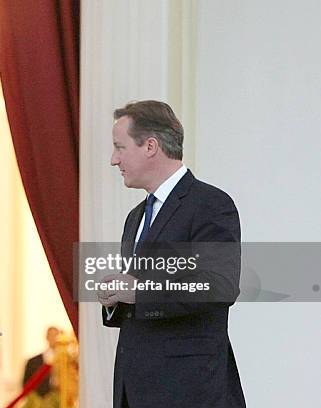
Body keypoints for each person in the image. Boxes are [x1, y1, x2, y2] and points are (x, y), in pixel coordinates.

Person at [98, 101, 245, 408]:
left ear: (150, 146)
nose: (114, 160)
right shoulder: (135, 217)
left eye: (119, 147)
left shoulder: (210, 204)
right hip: (135, 391)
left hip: (189, 391)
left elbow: (217, 286)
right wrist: (115, 299)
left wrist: (139, 291)